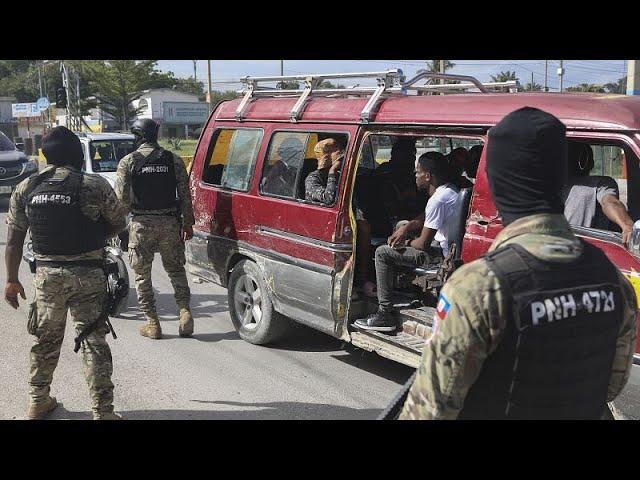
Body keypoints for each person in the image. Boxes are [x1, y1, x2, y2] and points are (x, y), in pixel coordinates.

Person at [399, 107, 637, 420]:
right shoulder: (614, 281)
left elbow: (430, 409)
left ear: (498, 183)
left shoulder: (480, 287)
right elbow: (611, 385)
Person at [4, 126, 126, 420]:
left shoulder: (27, 187)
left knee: (44, 341)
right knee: (92, 341)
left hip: (48, 278)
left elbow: (13, 240)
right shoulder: (94, 185)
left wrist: (11, 279)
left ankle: (38, 401)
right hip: (88, 275)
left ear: (46, 155)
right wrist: (98, 236)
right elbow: (119, 222)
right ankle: (103, 411)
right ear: (77, 154)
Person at [355, 152, 459, 332]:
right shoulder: (450, 190)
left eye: (418, 172)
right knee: (401, 226)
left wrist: (405, 242)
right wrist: (406, 228)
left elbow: (423, 245)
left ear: (428, 176)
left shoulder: (437, 199)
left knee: (382, 252)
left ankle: (384, 313)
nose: (415, 176)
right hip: (449, 249)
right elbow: (426, 217)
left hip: (439, 256)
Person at [115, 118, 195, 340]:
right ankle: (184, 312)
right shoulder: (173, 160)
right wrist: (188, 223)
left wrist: (116, 226)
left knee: (142, 276)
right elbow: (186, 195)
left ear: (138, 136)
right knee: (176, 270)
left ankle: (152, 323)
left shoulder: (128, 162)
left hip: (141, 226)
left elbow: (121, 201)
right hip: (170, 224)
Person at [561, 142, 634, 245]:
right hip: (584, 250)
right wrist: (627, 225)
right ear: (587, 161)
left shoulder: (545, 185)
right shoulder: (600, 183)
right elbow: (610, 202)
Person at [305, 138, 342, 204]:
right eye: (336, 150)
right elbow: (328, 199)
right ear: (326, 157)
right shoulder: (312, 178)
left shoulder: (340, 174)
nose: (340, 153)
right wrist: (332, 171)